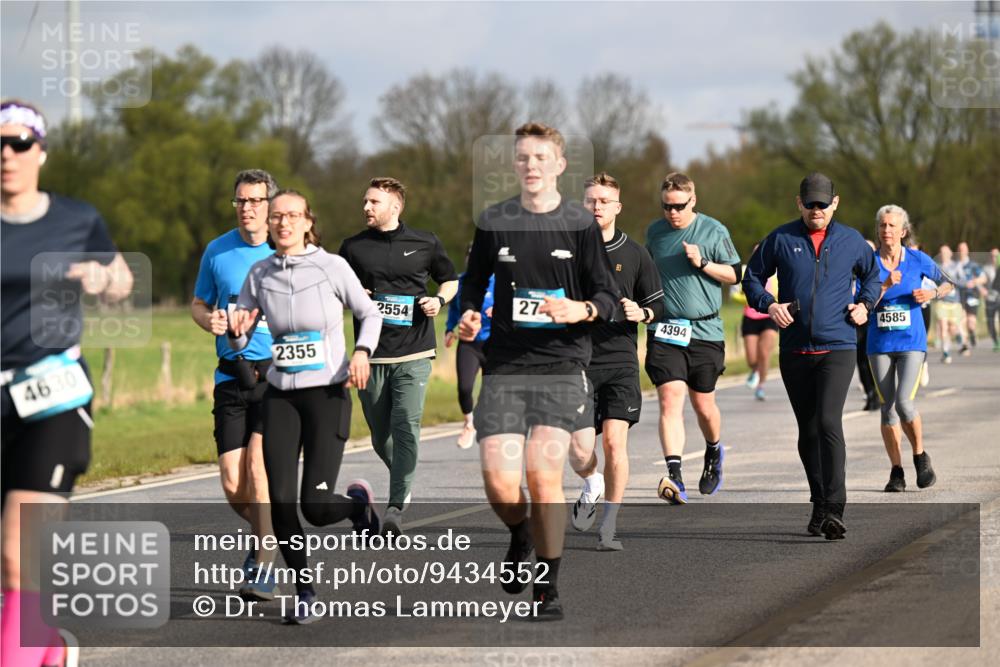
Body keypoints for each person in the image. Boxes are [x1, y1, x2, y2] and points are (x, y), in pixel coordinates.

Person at [458, 123, 620, 620]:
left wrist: (583, 311)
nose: (531, 165)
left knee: (541, 472)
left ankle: (548, 588)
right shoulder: (495, 221)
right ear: (514, 164)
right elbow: (472, 284)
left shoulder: (579, 225)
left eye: (540, 157)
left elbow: (607, 296)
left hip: (562, 366)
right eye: (523, 157)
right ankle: (520, 531)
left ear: (559, 165)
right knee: (500, 483)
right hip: (505, 366)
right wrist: (466, 314)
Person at [2, 100, 133, 666]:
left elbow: (122, 278)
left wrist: (104, 279)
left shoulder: (76, 218)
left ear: (41, 151)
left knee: (18, 552)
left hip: (51, 393)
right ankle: (47, 645)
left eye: (19, 143)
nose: (7, 155)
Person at [228, 189, 382, 625]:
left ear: (307, 221)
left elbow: (369, 313)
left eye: (292, 215)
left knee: (314, 507)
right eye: (276, 216)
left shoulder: (333, 267)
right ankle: (305, 590)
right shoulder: (259, 274)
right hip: (279, 396)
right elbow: (240, 333)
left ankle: (356, 507)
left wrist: (362, 352)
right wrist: (237, 331)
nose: (283, 223)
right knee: (279, 501)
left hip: (327, 394)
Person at [742, 172, 879, 541]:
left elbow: (874, 276)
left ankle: (835, 508)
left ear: (835, 203)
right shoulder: (781, 238)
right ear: (799, 203)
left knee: (829, 422)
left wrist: (865, 305)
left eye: (823, 203)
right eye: (810, 203)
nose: (817, 210)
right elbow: (751, 278)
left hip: (838, 346)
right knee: (808, 429)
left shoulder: (851, 241)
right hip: (796, 349)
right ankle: (819, 503)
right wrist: (769, 305)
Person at [339, 177, 458, 536]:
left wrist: (438, 301)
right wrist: (352, 293)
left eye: (374, 201)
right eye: (365, 201)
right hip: (371, 355)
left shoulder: (425, 242)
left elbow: (449, 280)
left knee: (406, 424)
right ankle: (403, 482)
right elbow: (334, 292)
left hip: (415, 350)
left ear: (395, 206)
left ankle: (395, 505)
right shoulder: (352, 248)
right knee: (380, 436)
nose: (366, 207)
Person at [191, 169, 279, 600]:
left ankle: (264, 566)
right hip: (230, 376)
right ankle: (272, 531)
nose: (247, 208)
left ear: (270, 205)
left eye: (256, 201)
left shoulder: (290, 249)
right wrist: (208, 320)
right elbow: (198, 301)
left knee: (259, 471)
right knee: (233, 484)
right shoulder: (217, 251)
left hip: (278, 377)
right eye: (241, 201)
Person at [567, 173, 664, 551]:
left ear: (617, 207)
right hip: (578, 361)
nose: (597, 207)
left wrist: (641, 313)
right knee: (577, 450)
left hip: (621, 360)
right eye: (591, 201)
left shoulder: (636, 253)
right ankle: (592, 481)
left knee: (613, 443)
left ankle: (609, 524)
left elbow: (658, 304)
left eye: (604, 201)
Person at [644, 173, 741, 505]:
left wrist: (702, 262)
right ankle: (675, 476)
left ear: (693, 201)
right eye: (667, 207)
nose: (673, 213)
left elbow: (735, 274)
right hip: (665, 330)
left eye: (679, 207)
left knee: (703, 405)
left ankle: (714, 450)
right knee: (670, 400)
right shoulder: (655, 233)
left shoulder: (714, 231)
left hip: (705, 331)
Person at [866, 205, 952, 492]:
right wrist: (883, 285)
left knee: (904, 403)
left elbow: (949, 283)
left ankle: (919, 456)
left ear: (903, 231)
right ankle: (896, 472)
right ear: (878, 231)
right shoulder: (868, 263)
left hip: (911, 342)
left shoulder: (918, 259)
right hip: (878, 344)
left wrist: (932, 292)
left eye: (892, 226)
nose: (887, 231)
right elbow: (859, 304)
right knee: (887, 410)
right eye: (883, 226)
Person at [444, 245, 494, 449]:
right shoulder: (461, 282)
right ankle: (469, 424)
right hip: (468, 343)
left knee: (491, 389)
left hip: (494, 342)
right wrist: (449, 329)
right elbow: (454, 310)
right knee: (464, 387)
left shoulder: (500, 281)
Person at [732, 244, 778, 401]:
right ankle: (755, 370)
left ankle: (761, 386)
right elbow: (734, 295)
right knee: (752, 358)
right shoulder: (745, 270)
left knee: (764, 353)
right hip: (750, 317)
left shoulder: (776, 272)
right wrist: (754, 298)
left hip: (769, 317)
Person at [856, 239, 880, 411]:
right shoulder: (853, 270)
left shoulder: (879, 270)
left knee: (875, 358)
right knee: (861, 360)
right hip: (858, 319)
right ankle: (870, 393)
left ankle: (881, 392)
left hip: (877, 319)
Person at [934, 245, 965, 363]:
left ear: (950, 254)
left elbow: (963, 281)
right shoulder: (937, 267)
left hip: (955, 302)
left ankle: (957, 336)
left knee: (953, 328)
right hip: (942, 302)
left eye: (946, 252)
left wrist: (951, 282)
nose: (944, 255)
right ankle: (946, 353)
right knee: (943, 327)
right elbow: (932, 281)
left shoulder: (956, 266)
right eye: (941, 252)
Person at [954, 241, 986, 354]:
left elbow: (983, 278)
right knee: (961, 319)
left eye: (963, 249)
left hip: (972, 295)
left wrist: (974, 281)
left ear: (967, 251)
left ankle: (972, 333)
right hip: (959, 295)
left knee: (970, 322)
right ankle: (965, 345)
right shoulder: (955, 265)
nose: (961, 251)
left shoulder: (973, 265)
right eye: (960, 249)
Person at [985, 248, 1000, 352]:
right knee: (990, 321)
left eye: (996, 256)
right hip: (990, 298)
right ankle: (995, 341)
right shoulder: (986, 268)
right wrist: (983, 290)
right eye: (992, 256)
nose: (994, 258)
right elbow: (981, 281)